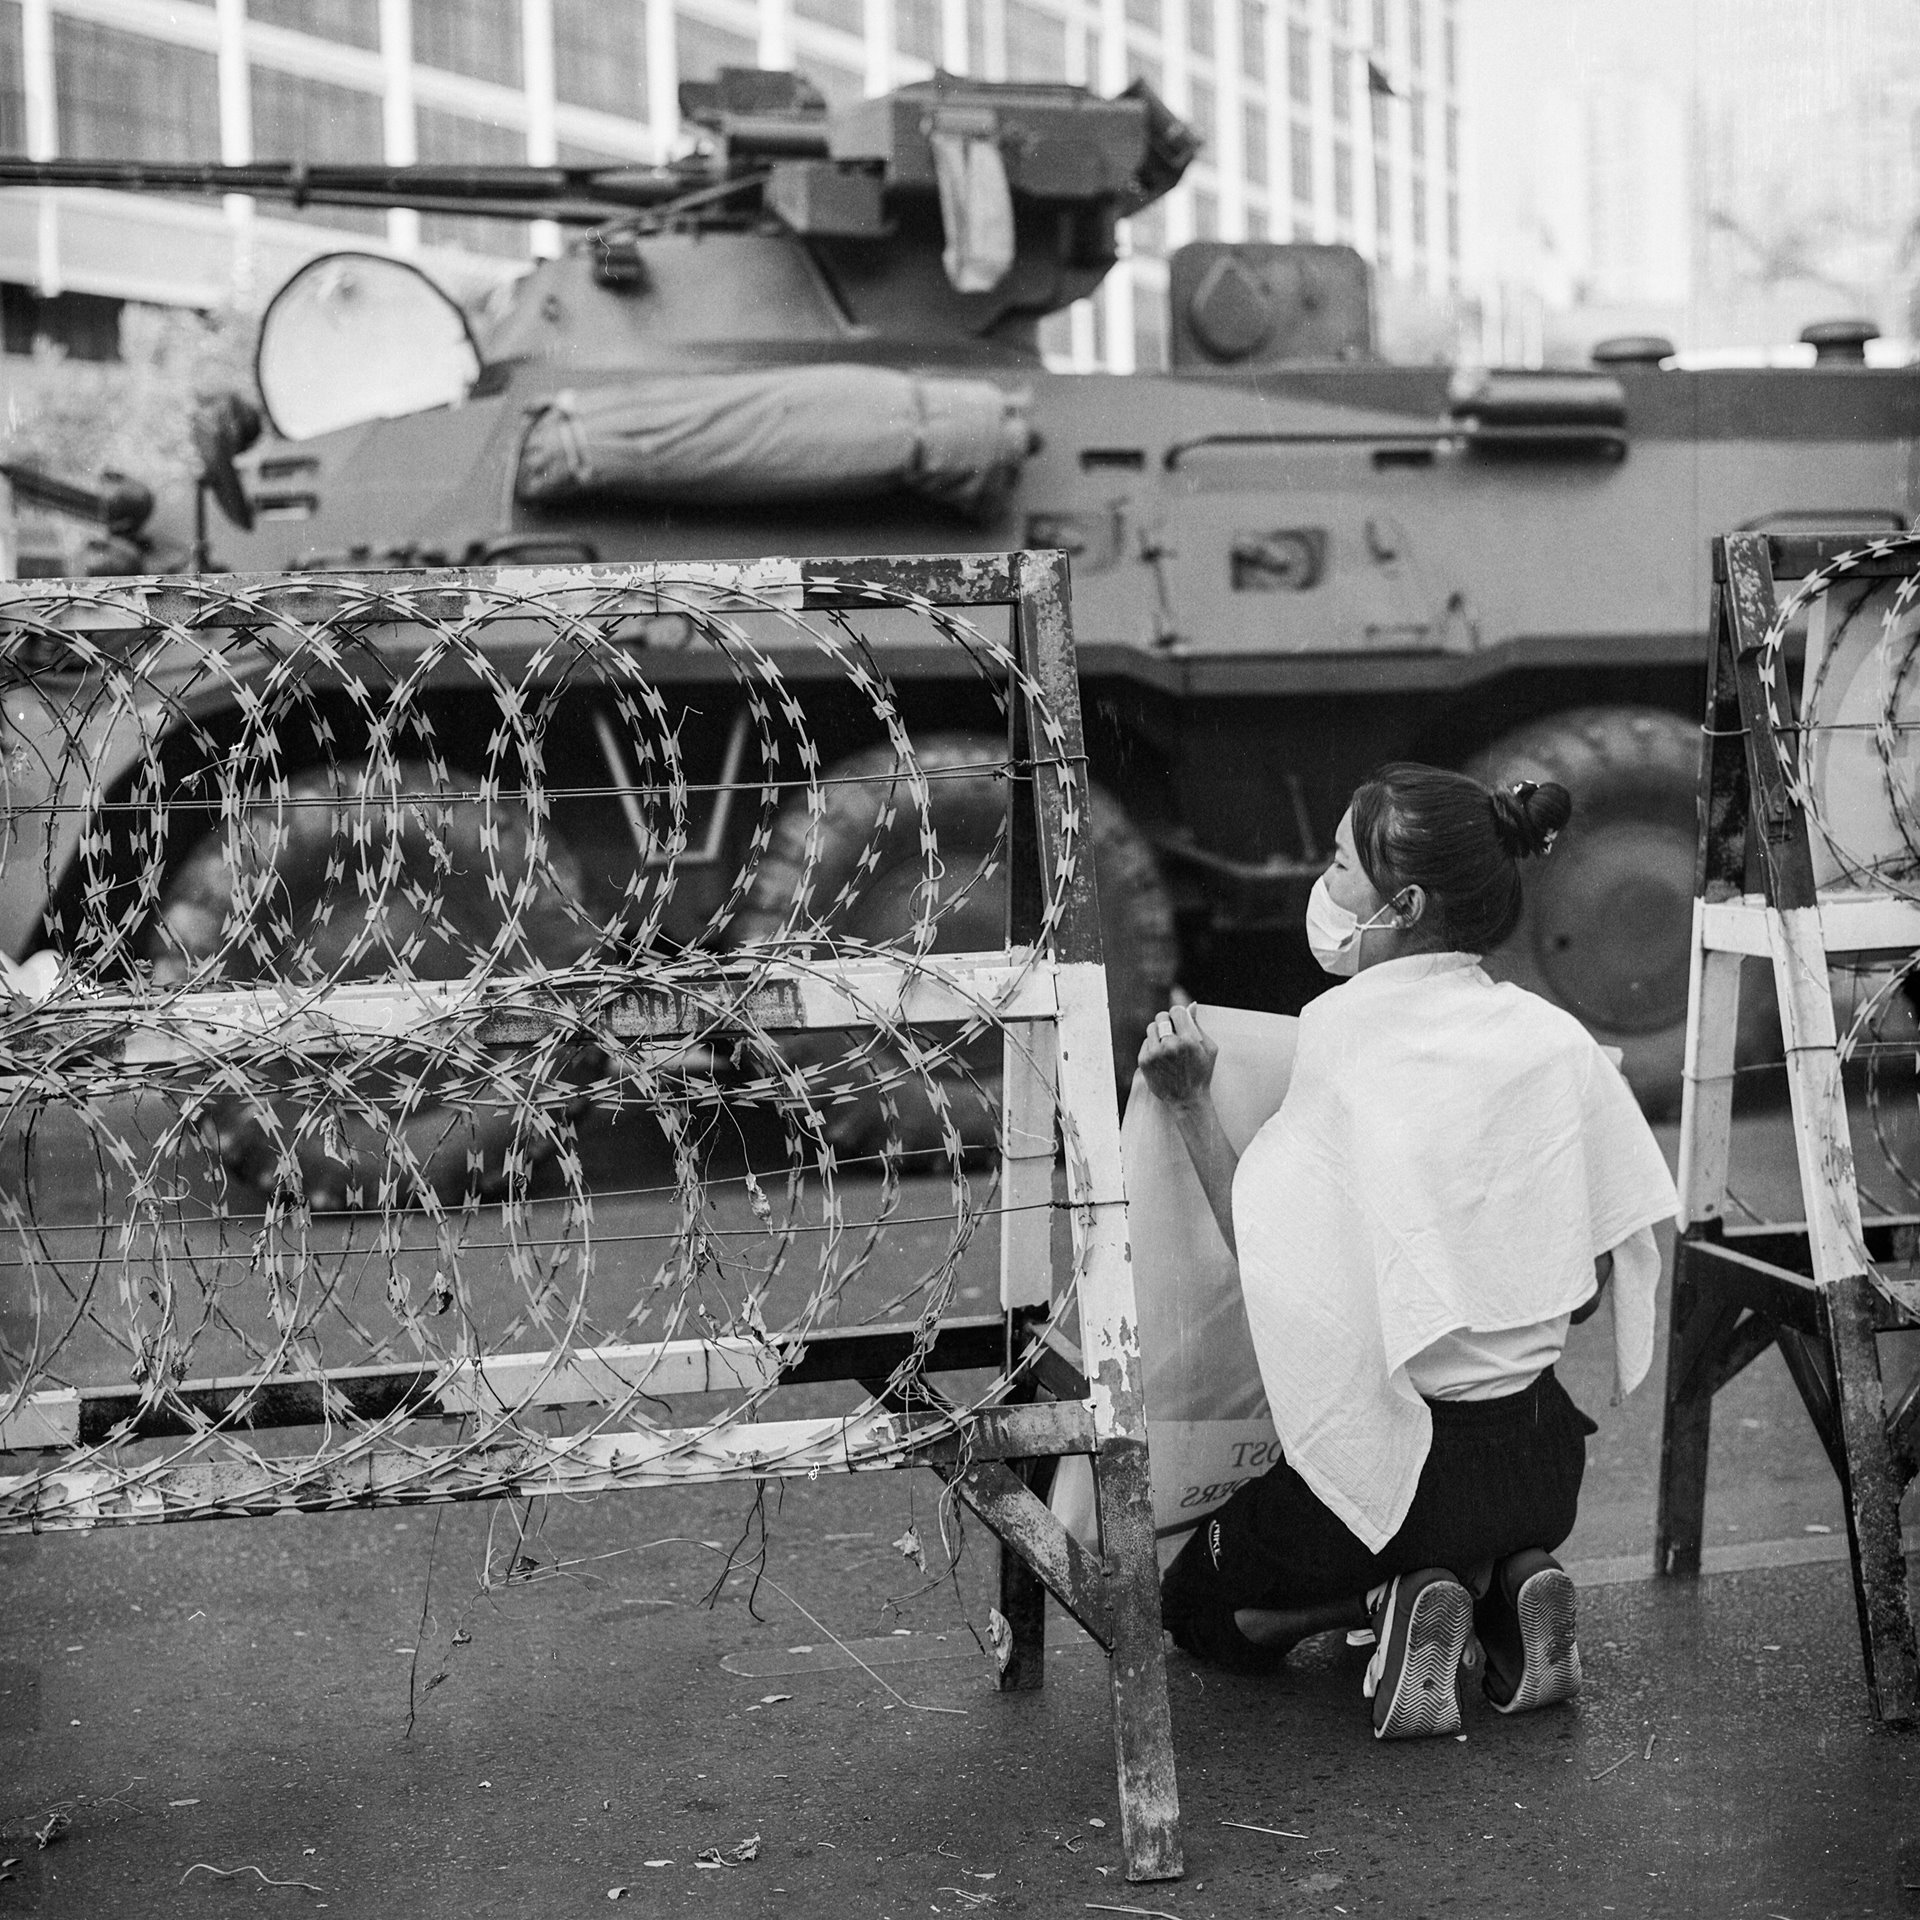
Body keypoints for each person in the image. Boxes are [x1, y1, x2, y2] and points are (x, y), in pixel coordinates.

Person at [1138, 763, 1678, 1740]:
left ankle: (1393, 1601)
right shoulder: (1555, 1040)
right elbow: (1591, 1289)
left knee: (1197, 1612)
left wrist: (1185, 1104)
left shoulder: (1340, 1038)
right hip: (1542, 1468)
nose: (1328, 887)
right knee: (1464, 1501)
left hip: (1401, 1481)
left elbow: (1270, 1268)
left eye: (1342, 867)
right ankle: (1507, 1578)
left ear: (1407, 904)